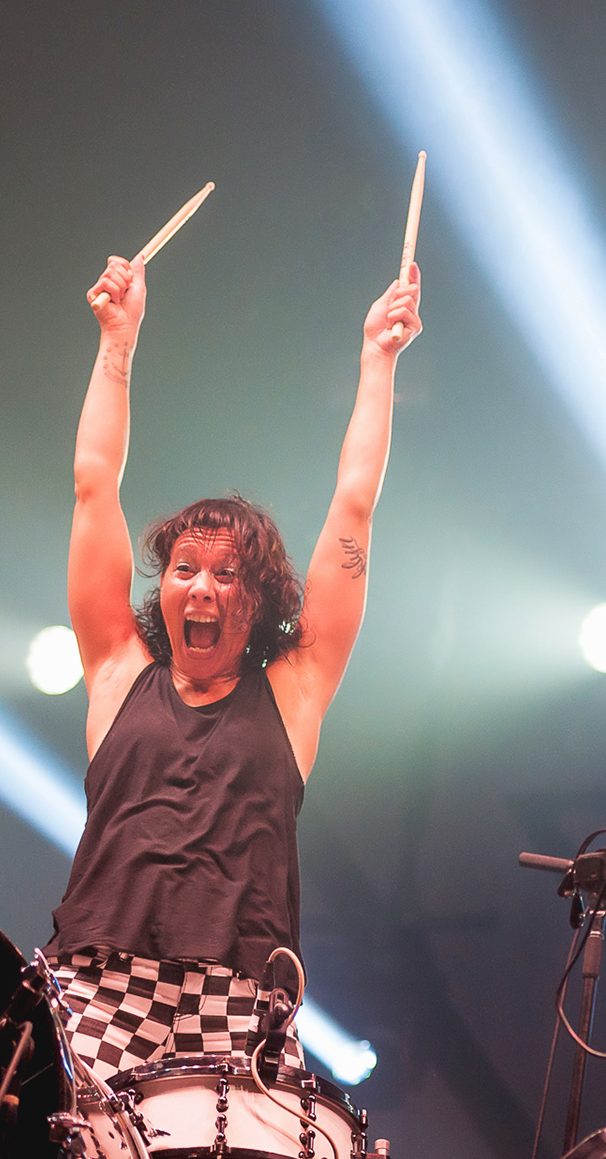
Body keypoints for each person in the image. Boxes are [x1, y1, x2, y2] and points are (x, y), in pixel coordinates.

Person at [44, 247, 422, 1086]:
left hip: (241, 989)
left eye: (225, 575)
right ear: (164, 587)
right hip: (96, 980)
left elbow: (354, 504)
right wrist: (118, 342)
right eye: (184, 570)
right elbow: (92, 486)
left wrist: (377, 360)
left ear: (257, 600)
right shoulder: (116, 671)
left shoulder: (292, 688)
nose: (201, 587)